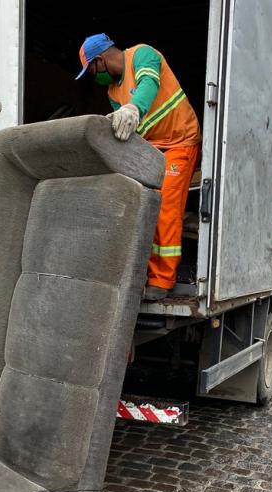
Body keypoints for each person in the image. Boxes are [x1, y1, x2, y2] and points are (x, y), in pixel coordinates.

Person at [76, 33, 202, 301]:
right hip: (151, 148)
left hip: (181, 141)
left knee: (165, 206)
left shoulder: (142, 55)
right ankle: (141, 273)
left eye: (92, 70)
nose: (94, 77)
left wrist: (133, 108)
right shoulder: (112, 92)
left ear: (100, 60)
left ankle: (162, 279)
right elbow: (128, 132)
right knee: (142, 204)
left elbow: (148, 84)